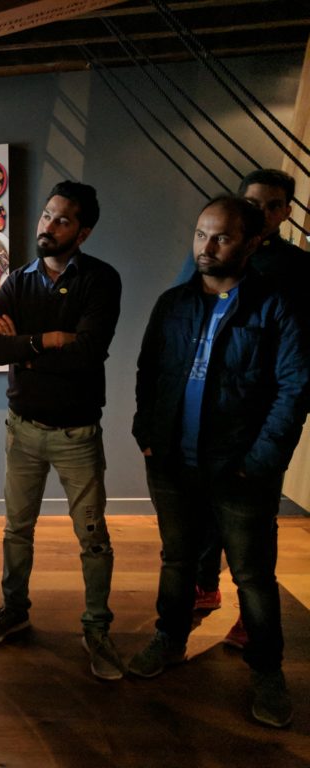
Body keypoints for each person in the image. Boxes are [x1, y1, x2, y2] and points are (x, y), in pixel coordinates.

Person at [129, 195, 309, 728]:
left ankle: (267, 671)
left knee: (253, 577)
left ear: (252, 244)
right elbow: (148, 371)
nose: (206, 247)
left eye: (222, 237)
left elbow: (295, 388)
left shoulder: (276, 307)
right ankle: (169, 639)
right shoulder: (172, 304)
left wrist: (261, 460)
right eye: (201, 234)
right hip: (172, 462)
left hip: (241, 468)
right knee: (178, 559)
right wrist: (146, 433)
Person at [0, 181, 125, 681]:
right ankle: (14, 610)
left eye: (62, 220)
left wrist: (26, 345)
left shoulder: (101, 280)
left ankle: (96, 627)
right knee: (17, 529)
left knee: (93, 537)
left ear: (83, 232)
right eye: (45, 215)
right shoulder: (18, 280)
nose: (48, 226)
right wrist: (50, 338)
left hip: (77, 432)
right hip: (23, 428)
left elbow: (88, 354)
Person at [183, 170, 310, 648]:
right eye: (251, 201)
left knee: (253, 527)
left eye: (271, 205)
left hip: (258, 423)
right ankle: (205, 586)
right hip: (206, 418)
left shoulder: (297, 270)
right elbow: (183, 316)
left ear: (285, 213)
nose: (259, 211)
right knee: (202, 514)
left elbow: (298, 369)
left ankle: (253, 627)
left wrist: (268, 448)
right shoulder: (207, 260)